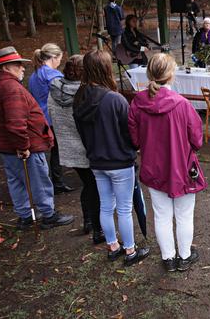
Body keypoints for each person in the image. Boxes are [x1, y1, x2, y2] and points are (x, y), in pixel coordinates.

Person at [0, 46, 74, 230]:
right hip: (24, 146)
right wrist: (23, 146)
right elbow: (15, 123)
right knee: (38, 180)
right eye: (17, 65)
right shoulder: (10, 88)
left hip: (7, 145)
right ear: (5, 68)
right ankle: (48, 215)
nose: (23, 68)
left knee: (16, 181)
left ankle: (25, 216)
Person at [128, 53, 207, 273]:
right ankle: (184, 255)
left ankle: (169, 258)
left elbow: (134, 139)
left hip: (153, 167)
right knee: (183, 214)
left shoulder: (138, 102)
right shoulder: (182, 104)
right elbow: (197, 140)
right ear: (171, 74)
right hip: (181, 167)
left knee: (161, 214)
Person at [73, 50, 149, 266]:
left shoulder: (79, 98)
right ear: (106, 69)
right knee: (124, 208)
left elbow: (80, 131)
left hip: (96, 161)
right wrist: (134, 147)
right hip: (119, 161)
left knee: (106, 206)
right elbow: (131, 133)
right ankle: (130, 250)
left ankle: (112, 245)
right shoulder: (115, 99)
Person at [47, 55, 103, 243]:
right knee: (94, 187)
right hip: (86, 147)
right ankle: (97, 228)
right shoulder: (85, 93)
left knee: (88, 185)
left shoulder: (54, 88)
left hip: (67, 146)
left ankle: (89, 220)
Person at [28, 43, 74, 194]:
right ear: (54, 57)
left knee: (52, 150)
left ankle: (54, 181)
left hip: (40, 117)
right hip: (54, 117)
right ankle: (57, 182)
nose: (60, 62)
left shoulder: (34, 75)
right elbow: (64, 97)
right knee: (57, 151)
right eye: (60, 58)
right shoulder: (54, 75)